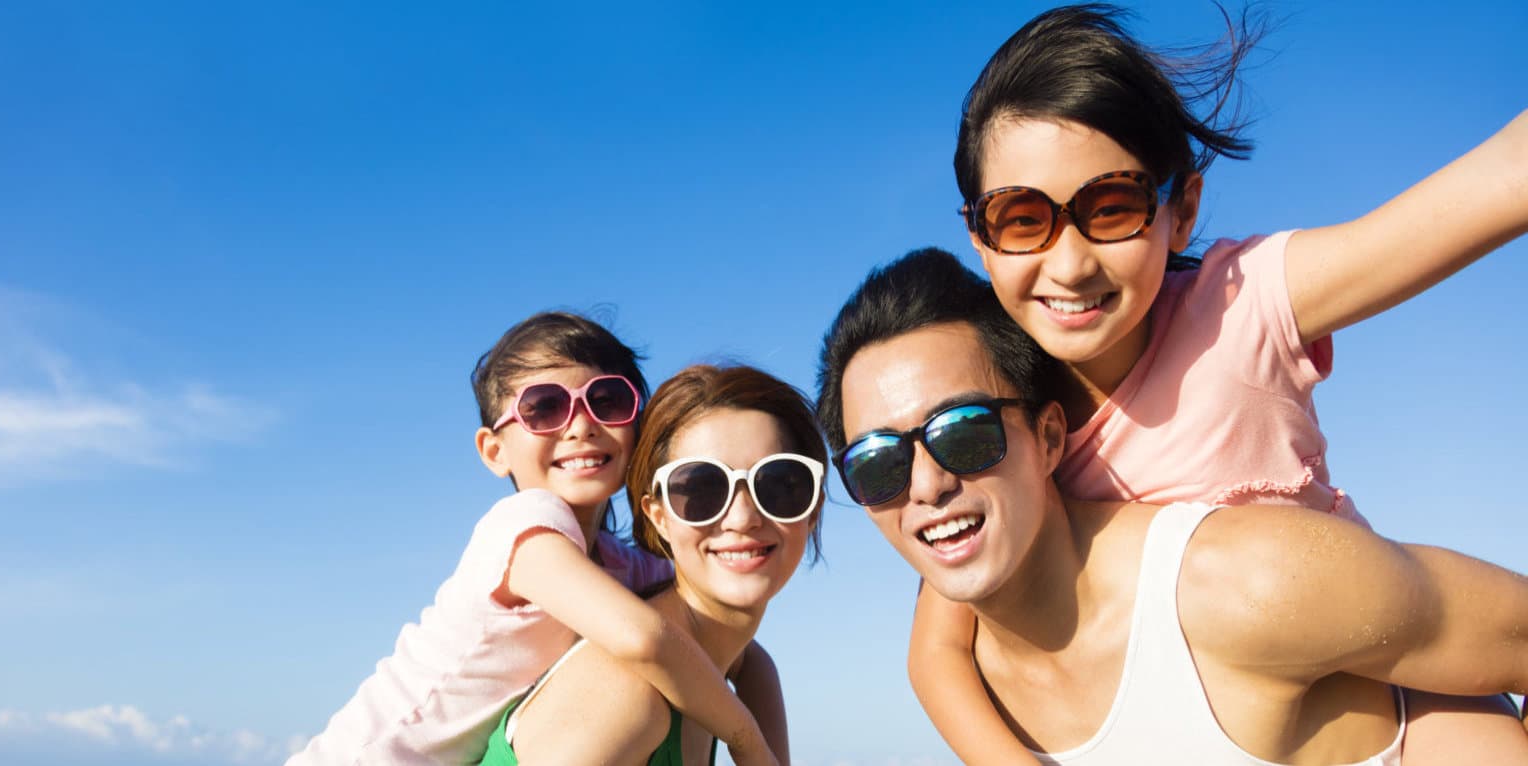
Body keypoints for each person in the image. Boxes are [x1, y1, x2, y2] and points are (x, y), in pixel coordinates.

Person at [912, 4, 1528, 761]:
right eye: (1022, 219)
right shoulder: (1005, 408)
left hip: (1410, 715)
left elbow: (1504, 178)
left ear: (1182, 210)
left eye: (1113, 209)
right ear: (979, 237)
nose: (1069, 264)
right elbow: (939, 648)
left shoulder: (1245, 302)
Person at [816, 249, 1528, 764]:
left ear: (1050, 435)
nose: (925, 484)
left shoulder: (1243, 584)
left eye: (964, 433)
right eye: (878, 463)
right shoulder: (964, 670)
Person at [290, 312, 781, 765]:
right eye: (544, 408)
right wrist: (745, 741)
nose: (582, 426)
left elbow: (748, 657)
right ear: (494, 450)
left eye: (607, 400)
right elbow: (644, 638)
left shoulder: (622, 566)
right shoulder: (523, 525)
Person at [480, 364, 822, 764]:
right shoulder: (629, 696)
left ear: (812, 506)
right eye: (700, 488)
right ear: (658, 516)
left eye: (779, 484)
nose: (743, 517)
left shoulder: (736, 663)